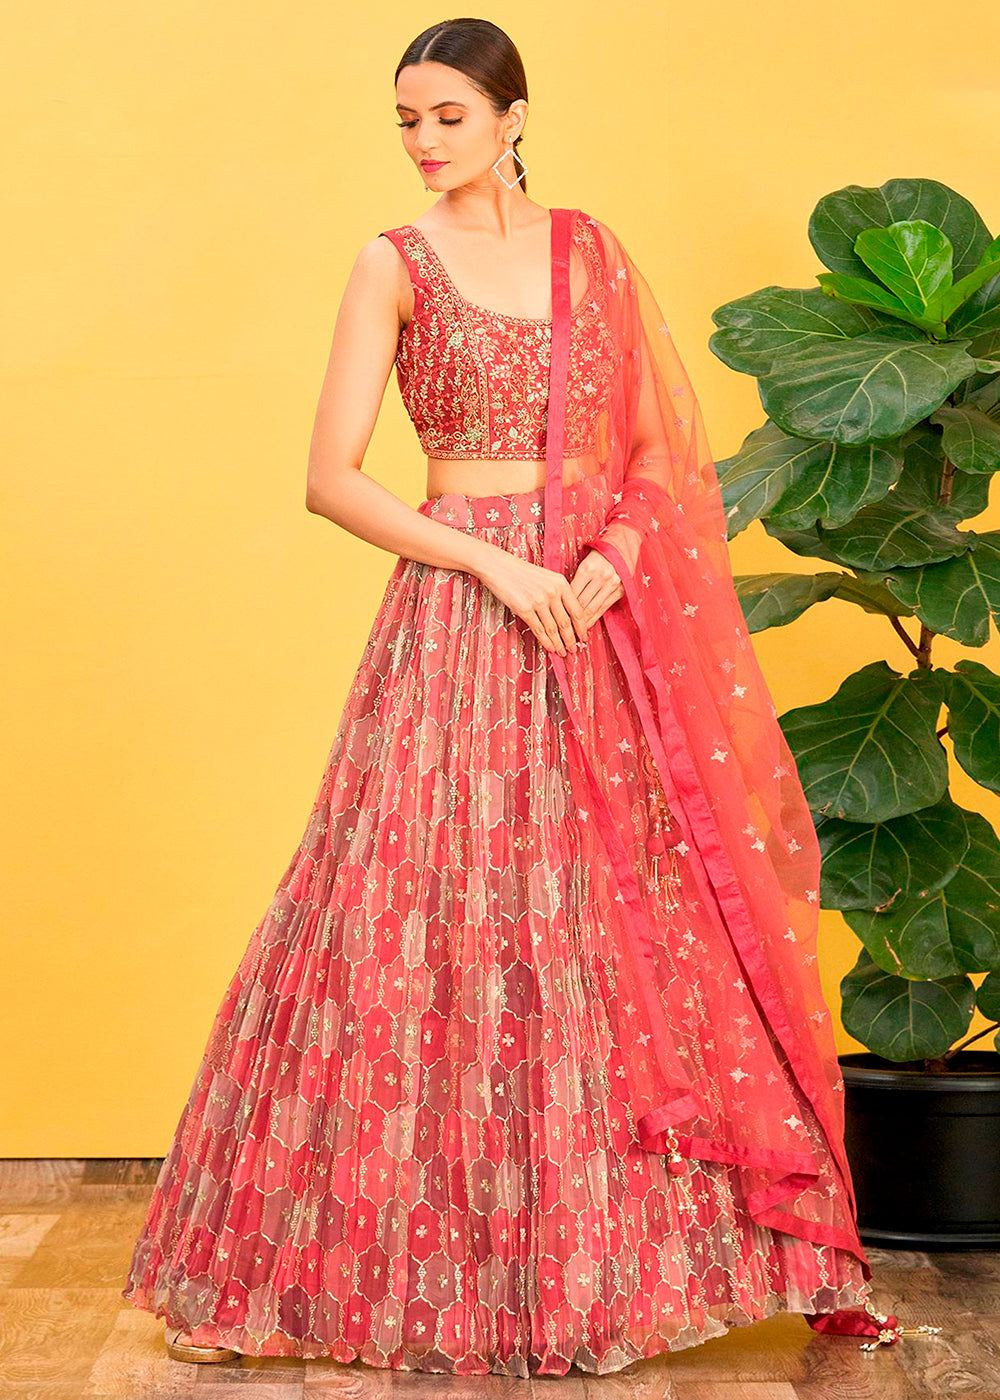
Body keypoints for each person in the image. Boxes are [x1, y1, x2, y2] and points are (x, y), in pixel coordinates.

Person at [121, 17, 935, 1378]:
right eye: (406, 119)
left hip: (594, 623)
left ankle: (623, 1271)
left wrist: (612, 560)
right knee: (412, 918)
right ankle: (333, 1271)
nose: (424, 141)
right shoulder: (393, 264)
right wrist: (494, 564)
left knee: (606, 923)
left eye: (448, 114)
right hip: (460, 616)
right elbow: (332, 477)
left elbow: (655, 452)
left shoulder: (592, 256)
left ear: (512, 117)